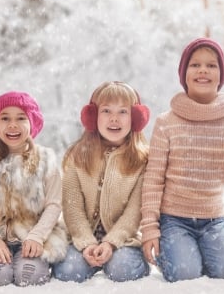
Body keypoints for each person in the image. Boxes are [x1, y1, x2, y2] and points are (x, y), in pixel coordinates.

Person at [140, 38, 224, 282]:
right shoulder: (167, 122)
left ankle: (197, 250)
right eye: (195, 65)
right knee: (185, 273)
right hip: (174, 219)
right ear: (184, 74)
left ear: (220, 74)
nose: (203, 70)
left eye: (211, 65)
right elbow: (153, 180)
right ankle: (178, 252)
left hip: (213, 221)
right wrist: (151, 228)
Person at [0, 91, 68, 287]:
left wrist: (36, 236)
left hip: (34, 237)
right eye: (5, 118)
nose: (12, 125)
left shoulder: (46, 160)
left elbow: (54, 204)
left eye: (21, 118)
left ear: (31, 123)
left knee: (30, 275)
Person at [52, 81, 151, 283]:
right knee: (68, 271)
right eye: (106, 111)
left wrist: (112, 242)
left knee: (123, 269)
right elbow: (72, 207)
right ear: (93, 116)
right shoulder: (77, 156)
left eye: (123, 111)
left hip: (123, 240)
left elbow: (134, 211)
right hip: (81, 238)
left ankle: (124, 259)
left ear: (135, 118)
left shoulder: (142, 160)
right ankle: (90, 253)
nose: (114, 118)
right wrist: (87, 243)